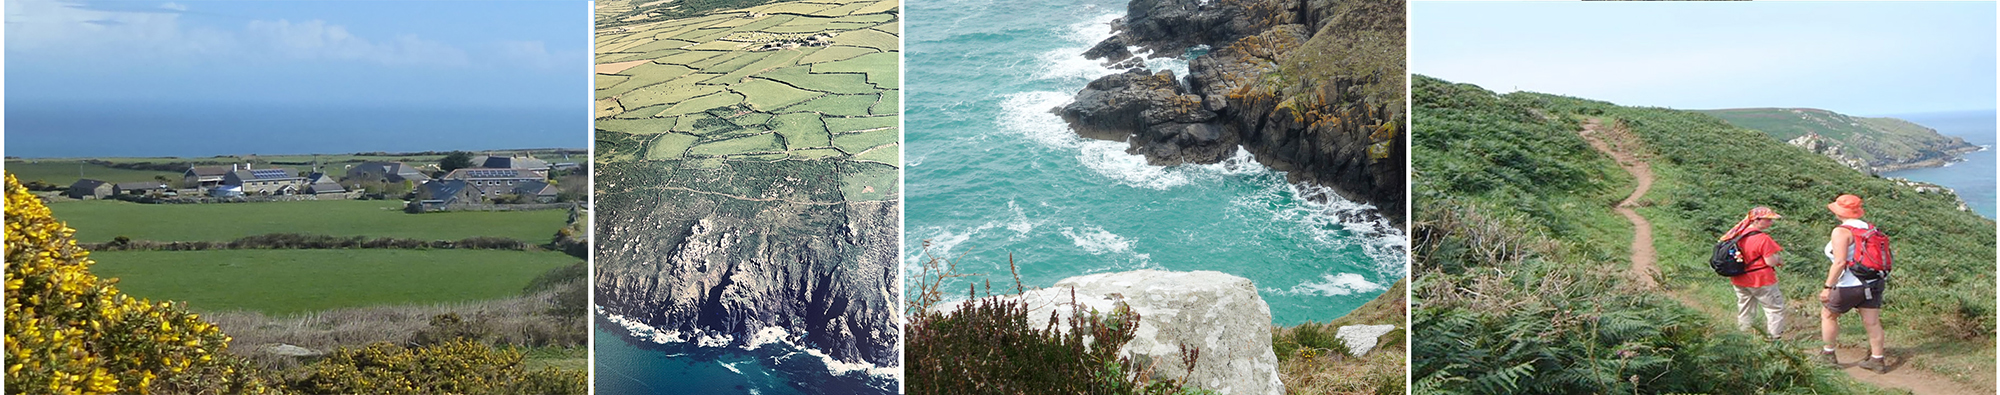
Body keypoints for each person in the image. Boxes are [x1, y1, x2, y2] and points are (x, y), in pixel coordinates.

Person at [1817, 194, 1888, 372]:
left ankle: (1828, 355)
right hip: (1873, 282)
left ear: (1839, 212)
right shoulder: (1870, 228)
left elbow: (1840, 262)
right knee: (1872, 322)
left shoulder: (1841, 231)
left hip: (1849, 284)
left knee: (1828, 315)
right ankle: (1877, 360)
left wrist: (1827, 287)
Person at [1718, 206, 1786, 339]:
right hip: (1761, 280)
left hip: (1739, 278)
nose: (1770, 223)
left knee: (1745, 307)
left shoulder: (1737, 234)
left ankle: (1744, 336)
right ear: (1757, 220)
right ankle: (1774, 340)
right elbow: (1770, 261)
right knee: (1774, 309)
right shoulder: (1763, 238)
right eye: (1768, 220)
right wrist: (1779, 259)